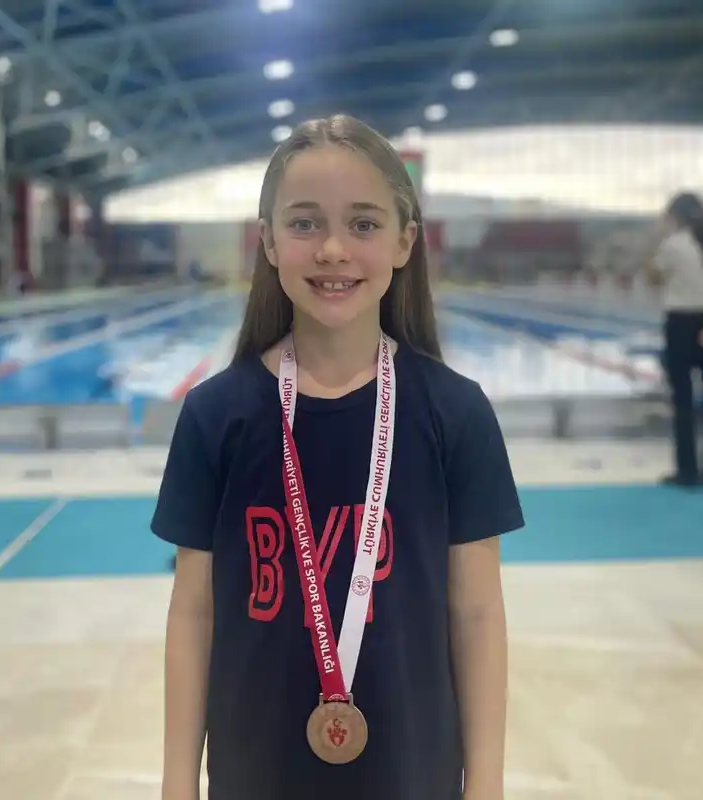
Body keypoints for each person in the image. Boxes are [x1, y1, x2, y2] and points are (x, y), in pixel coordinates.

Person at [151, 114, 525, 800]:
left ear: (404, 240)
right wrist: (178, 784)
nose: (332, 249)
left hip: (413, 772)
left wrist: (487, 783)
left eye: (363, 224)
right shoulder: (215, 416)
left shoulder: (455, 413)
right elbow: (194, 612)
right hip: (255, 772)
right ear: (267, 241)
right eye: (304, 224)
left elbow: (476, 612)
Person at [645, 192, 703, 486]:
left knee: (682, 399)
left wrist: (656, 239)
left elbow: (652, 278)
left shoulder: (672, 245)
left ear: (675, 217)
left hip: (681, 325)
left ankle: (687, 471)